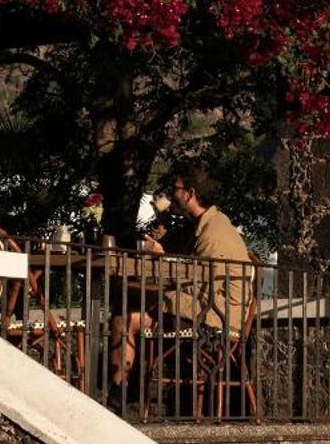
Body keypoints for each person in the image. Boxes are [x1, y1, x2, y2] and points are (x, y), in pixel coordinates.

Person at [108, 164, 255, 393]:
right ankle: (129, 386)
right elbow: (176, 255)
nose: (171, 193)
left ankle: (120, 393)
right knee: (127, 294)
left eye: (175, 188)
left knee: (125, 316)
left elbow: (200, 286)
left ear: (190, 193)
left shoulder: (213, 234)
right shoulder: (202, 224)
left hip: (215, 315)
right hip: (207, 306)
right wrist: (162, 221)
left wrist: (162, 267)